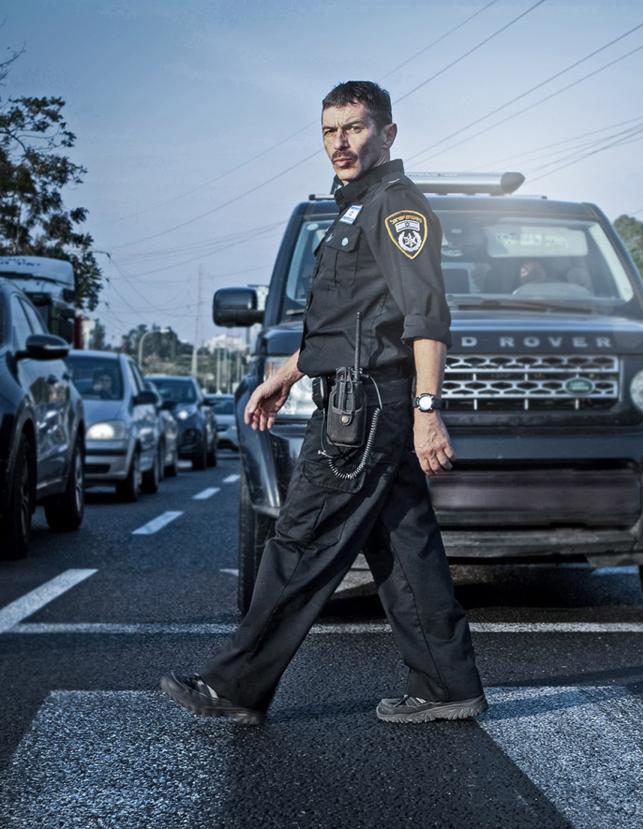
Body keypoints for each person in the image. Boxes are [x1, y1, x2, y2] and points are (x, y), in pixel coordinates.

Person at [161, 81, 486, 725]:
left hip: (363, 412)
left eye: (356, 128)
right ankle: (449, 685)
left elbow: (426, 318)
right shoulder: (352, 210)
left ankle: (235, 686)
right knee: (404, 548)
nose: (340, 142)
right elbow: (345, 322)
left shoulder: (397, 209)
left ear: (388, 134)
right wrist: (285, 374)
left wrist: (427, 410)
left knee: (301, 539)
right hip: (355, 398)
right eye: (330, 130)